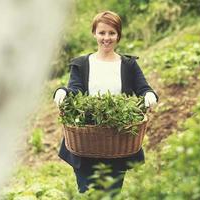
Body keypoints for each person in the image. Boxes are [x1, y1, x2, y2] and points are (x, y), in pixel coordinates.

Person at [53, 10, 158, 195]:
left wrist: (150, 96)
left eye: (112, 33)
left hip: (116, 141)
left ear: (118, 35)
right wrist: (62, 91)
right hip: (86, 141)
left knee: (111, 193)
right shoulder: (82, 64)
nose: (106, 38)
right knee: (88, 192)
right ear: (94, 33)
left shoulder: (128, 65)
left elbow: (144, 88)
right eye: (102, 33)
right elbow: (74, 90)